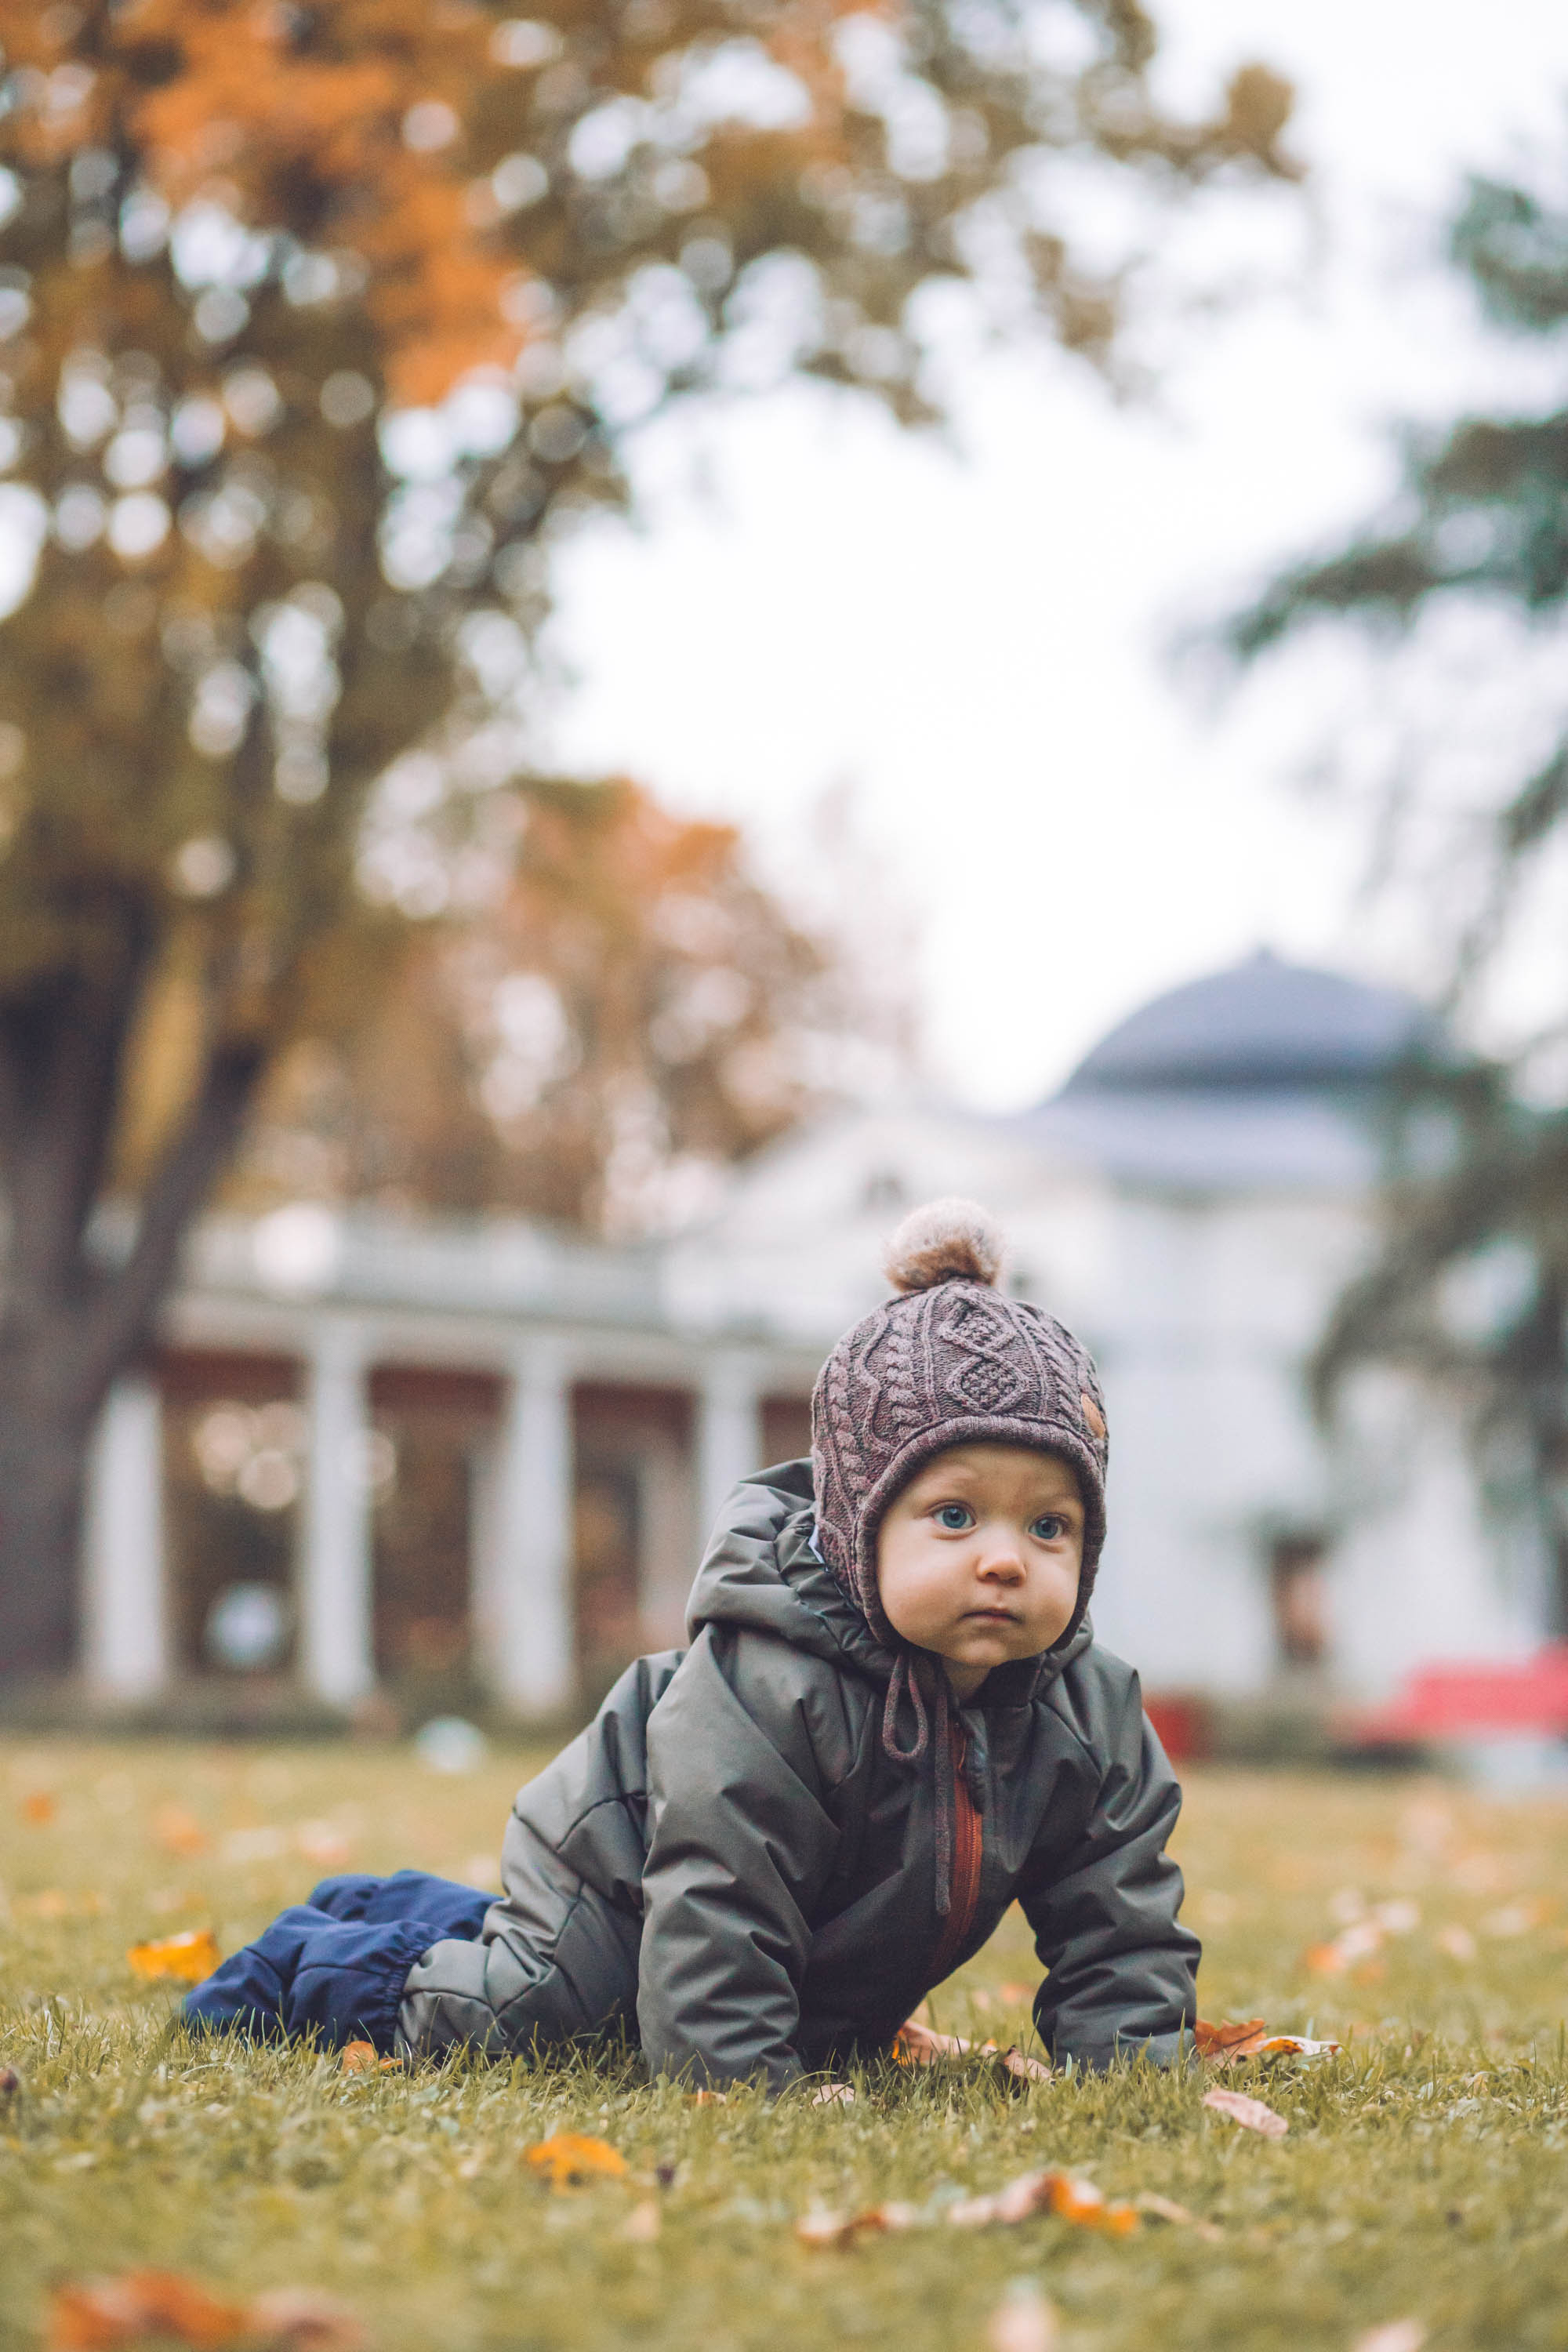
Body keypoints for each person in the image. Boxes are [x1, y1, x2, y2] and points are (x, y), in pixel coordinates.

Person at [184, 1197, 1200, 2088]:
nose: (1006, 1561)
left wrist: (1132, 2071)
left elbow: (1121, 1915)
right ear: (857, 1527)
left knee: (779, 2023)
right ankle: (308, 1968)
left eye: (1049, 1526)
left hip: (807, 1951)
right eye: (953, 1517)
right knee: (528, 2012)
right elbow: (722, 1897)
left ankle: (399, 1906)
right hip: (626, 1863)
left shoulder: (1086, 1713)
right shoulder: (775, 1687)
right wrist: (742, 2085)